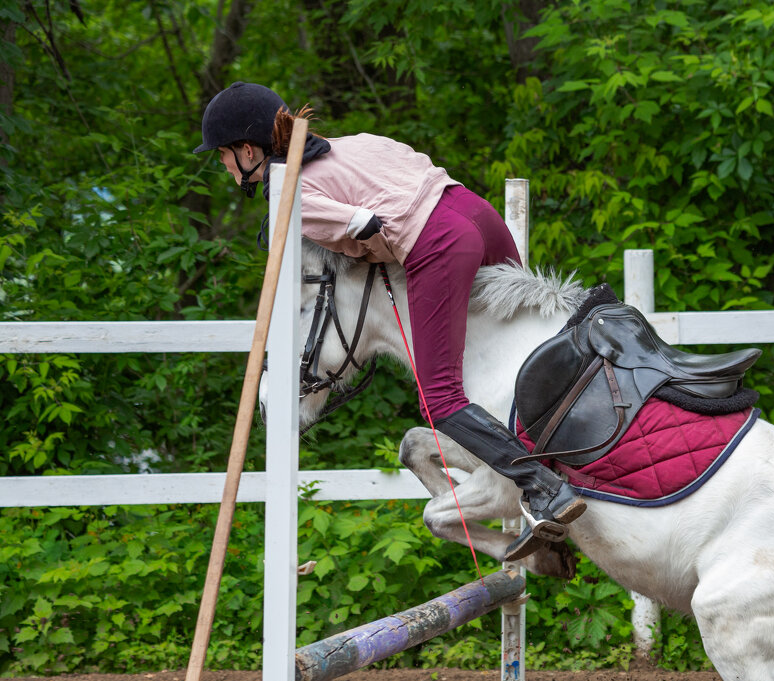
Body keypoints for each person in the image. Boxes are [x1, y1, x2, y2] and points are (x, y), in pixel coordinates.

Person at [193, 81, 584, 559]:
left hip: (438, 243)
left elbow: (363, 224)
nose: (224, 166)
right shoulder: (346, 146)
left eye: (223, 155)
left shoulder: (285, 190)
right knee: (515, 357)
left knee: (441, 399)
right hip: (475, 212)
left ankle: (543, 485)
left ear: (248, 150)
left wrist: (309, 226)